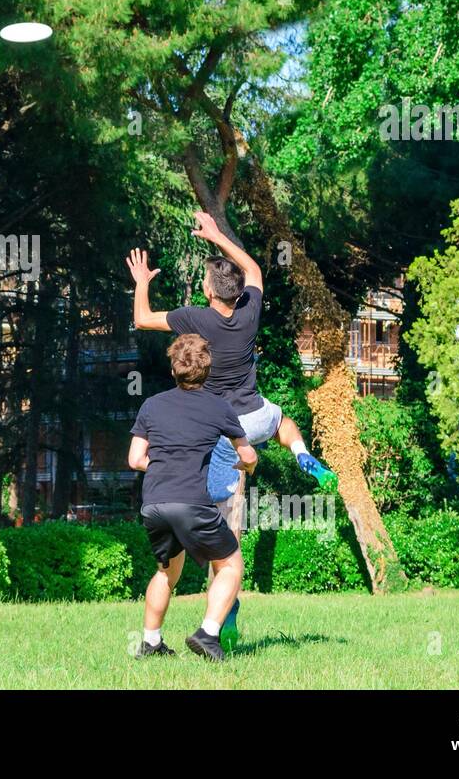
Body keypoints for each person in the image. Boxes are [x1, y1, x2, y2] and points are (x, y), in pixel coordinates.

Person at [125, 210, 337, 650]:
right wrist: (219, 235)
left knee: (213, 531)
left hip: (212, 428)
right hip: (251, 416)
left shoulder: (195, 321)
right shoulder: (248, 313)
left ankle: (187, 627)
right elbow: (255, 270)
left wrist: (142, 281)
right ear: (238, 293)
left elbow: (144, 319)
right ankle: (301, 452)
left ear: (206, 290)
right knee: (283, 421)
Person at [128, 333, 257, 662]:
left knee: (165, 571)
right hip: (191, 503)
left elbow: (135, 459)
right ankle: (208, 634)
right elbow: (249, 454)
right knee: (230, 564)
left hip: (154, 502)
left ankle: (150, 642)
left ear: (173, 369)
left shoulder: (152, 405)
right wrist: (245, 464)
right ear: (207, 370)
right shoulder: (218, 407)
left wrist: (162, 468)